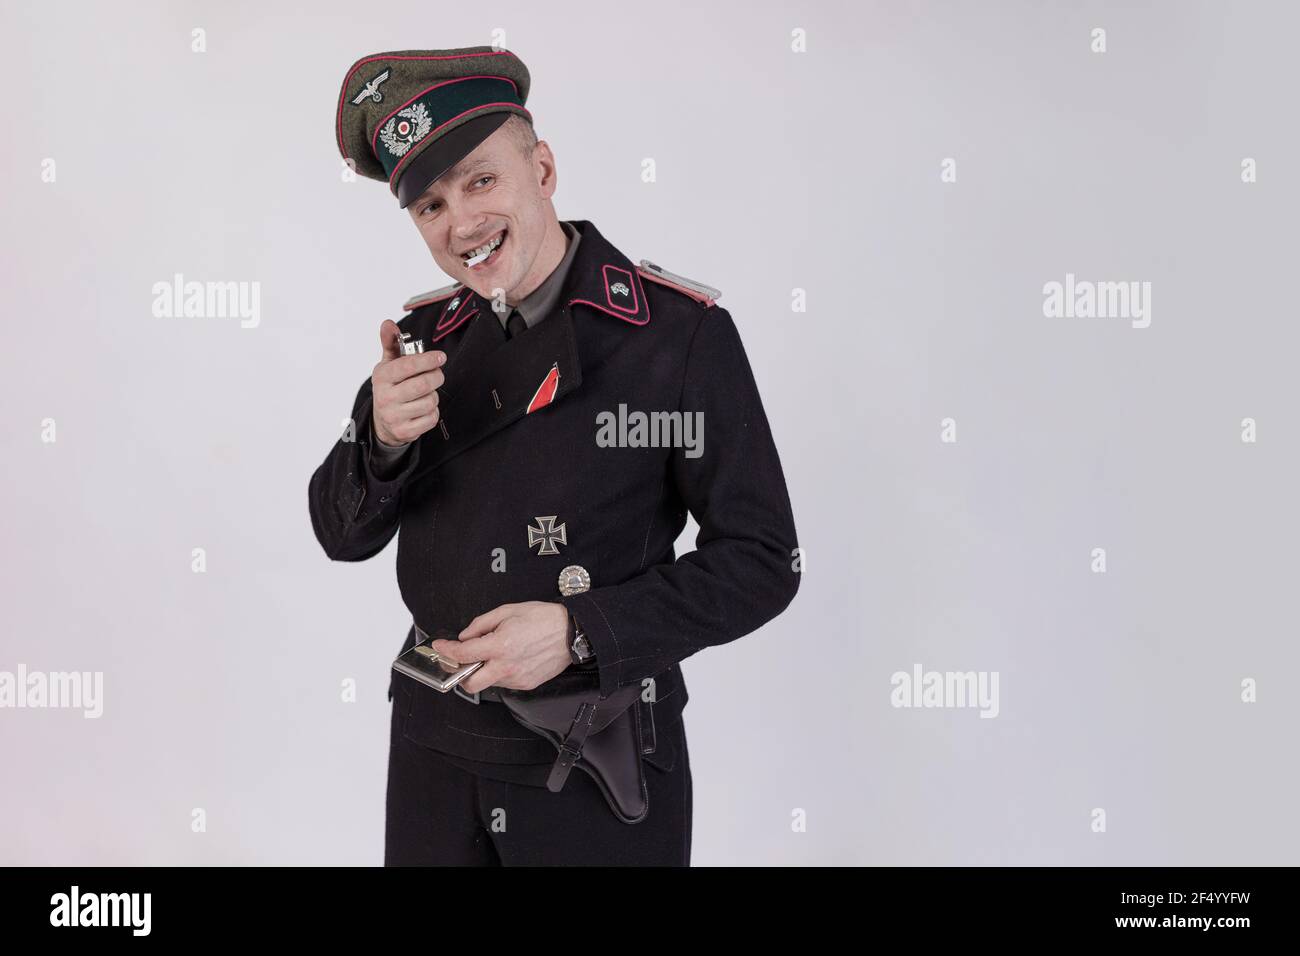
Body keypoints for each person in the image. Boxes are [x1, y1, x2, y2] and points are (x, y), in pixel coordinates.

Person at [310, 45, 800, 866]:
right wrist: (383, 441)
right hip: (434, 748)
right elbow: (339, 532)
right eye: (429, 206)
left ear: (542, 167)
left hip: (593, 759)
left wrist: (581, 630)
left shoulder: (676, 338)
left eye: (480, 180)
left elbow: (762, 561)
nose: (460, 223)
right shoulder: (429, 334)